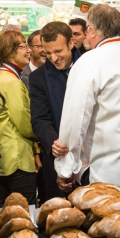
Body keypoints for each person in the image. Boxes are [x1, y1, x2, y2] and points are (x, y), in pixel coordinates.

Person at [54, 4, 120, 214]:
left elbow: (75, 121)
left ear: (91, 30)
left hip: (108, 174)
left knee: (107, 235)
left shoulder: (90, 61)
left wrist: (66, 168)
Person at [30, 21, 82, 203]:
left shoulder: (89, 67)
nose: (53, 58)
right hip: (56, 157)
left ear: (71, 43)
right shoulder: (38, 78)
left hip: (90, 155)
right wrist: (53, 142)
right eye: (47, 53)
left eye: (58, 51)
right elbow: (39, 118)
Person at [0, 30, 38, 207]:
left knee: (1, 215)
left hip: (0, 159)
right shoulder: (12, 82)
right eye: (23, 46)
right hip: (17, 160)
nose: (29, 51)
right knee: (26, 212)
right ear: (10, 52)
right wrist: (40, 134)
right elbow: (24, 122)